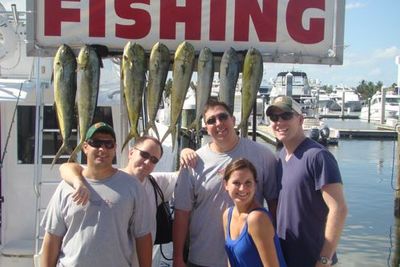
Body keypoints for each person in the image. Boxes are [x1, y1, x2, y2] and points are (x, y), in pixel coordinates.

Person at [173, 99, 279, 267]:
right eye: (211, 121)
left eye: (223, 117)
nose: (218, 123)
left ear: (233, 120)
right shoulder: (192, 162)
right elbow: (182, 213)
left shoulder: (264, 156)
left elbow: (275, 204)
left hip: (249, 260)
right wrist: (178, 257)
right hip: (201, 259)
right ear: (205, 127)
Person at [40, 122, 153, 267]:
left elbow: (143, 237)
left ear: (115, 149)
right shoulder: (66, 187)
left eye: (109, 144)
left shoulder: (133, 187)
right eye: (96, 143)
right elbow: (52, 237)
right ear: (85, 147)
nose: (102, 149)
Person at [266, 96, 348, 267]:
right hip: (285, 257)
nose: (279, 122)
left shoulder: (318, 156)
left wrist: (324, 259)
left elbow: (339, 209)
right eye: (274, 117)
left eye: (286, 116)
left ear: (300, 119)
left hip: (313, 260)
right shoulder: (280, 157)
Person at [223, 158, 286, 267]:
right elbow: (231, 261)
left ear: (255, 185)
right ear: (226, 185)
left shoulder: (257, 219)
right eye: (236, 183)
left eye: (248, 183)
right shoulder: (227, 215)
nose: (242, 188)